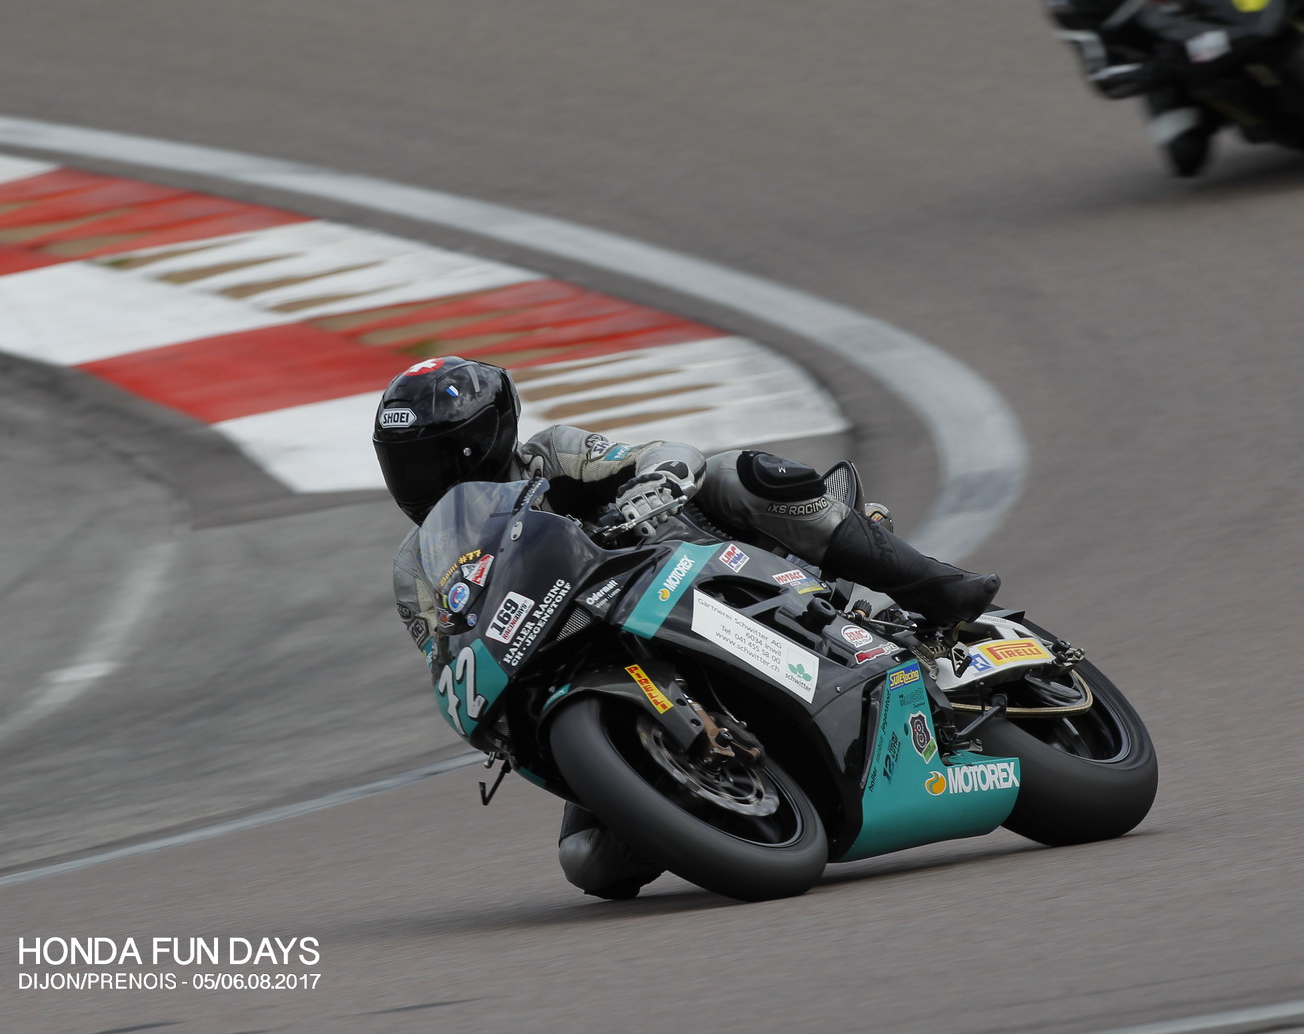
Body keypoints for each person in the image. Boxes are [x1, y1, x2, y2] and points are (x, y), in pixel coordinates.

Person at [373, 355, 1000, 898]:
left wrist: (656, 482)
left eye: (431, 460)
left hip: (686, 572)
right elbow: (445, 649)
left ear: (482, 439)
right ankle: (708, 793)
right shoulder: (415, 568)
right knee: (590, 864)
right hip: (580, 658)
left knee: (737, 473)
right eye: (403, 465)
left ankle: (936, 586)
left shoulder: (551, 455)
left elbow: (660, 455)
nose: (417, 480)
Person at [1043, 0, 1304, 176]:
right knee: (1186, 157)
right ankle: (1247, 114)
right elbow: (1101, 76)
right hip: (1173, 59)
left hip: (1221, 5)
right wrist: (1158, 70)